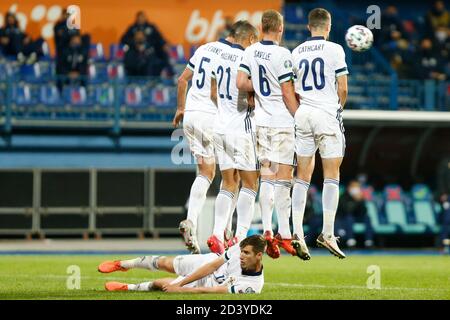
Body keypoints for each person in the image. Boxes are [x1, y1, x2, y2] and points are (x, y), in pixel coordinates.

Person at [172, 22, 243, 254]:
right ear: (241, 37)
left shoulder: (204, 48)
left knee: (205, 173)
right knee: (233, 176)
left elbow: (182, 80)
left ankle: (190, 221)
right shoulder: (236, 55)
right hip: (214, 117)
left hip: (192, 116)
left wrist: (180, 108)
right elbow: (217, 93)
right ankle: (223, 231)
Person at [237, 10, 300, 260]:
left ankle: (266, 229)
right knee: (285, 178)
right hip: (283, 122)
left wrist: (260, 91)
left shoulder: (250, 51)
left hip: (261, 123)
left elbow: (241, 82)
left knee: (267, 176)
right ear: (280, 28)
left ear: (262, 27)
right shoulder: (283, 54)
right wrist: (300, 118)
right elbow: (287, 94)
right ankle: (285, 234)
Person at [291, 8, 349, 259]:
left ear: (308, 27)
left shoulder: (296, 52)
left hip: (303, 113)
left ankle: (295, 230)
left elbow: (291, 89)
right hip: (326, 113)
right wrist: (337, 109)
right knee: (331, 173)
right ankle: (327, 232)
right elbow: (343, 88)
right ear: (328, 27)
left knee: (302, 174)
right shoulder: (335, 49)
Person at [206, 22, 259, 254]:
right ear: (249, 39)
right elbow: (252, 95)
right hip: (241, 128)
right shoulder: (249, 59)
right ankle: (239, 236)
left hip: (220, 126)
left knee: (228, 183)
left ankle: (217, 234)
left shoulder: (219, 56)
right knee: (250, 183)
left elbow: (213, 93)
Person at [98, 234, 265, 294]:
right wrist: (181, 283)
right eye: (242, 251)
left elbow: (213, 290)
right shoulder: (240, 248)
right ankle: (123, 264)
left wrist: (178, 286)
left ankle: (128, 288)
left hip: (209, 283)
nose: (241, 255)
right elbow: (212, 266)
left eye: (247, 253)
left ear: (259, 256)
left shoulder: (252, 286)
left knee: (159, 285)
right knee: (165, 263)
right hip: (208, 262)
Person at [121, 11, 172, 76]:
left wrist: (164, 44)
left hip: (150, 54)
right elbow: (123, 39)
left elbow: (159, 38)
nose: (141, 19)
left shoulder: (151, 27)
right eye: (139, 18)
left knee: (161, 56)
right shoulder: (132, 28)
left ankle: (171, 74)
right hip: (135, 55)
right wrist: (134, 43)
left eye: (142, 17)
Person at [336, 180, 374, 248]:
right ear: (349, 188)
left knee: (367, 217)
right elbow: (347, 210)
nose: (356, 189)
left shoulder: (360, 197)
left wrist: (360, 200)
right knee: (349, 217)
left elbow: (364, 211)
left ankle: (369, 241)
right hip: (344, 218)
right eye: (354, 187)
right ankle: (351, 240)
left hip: (357, 217)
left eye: (357, 187)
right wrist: (355, 199)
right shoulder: (343, 197)